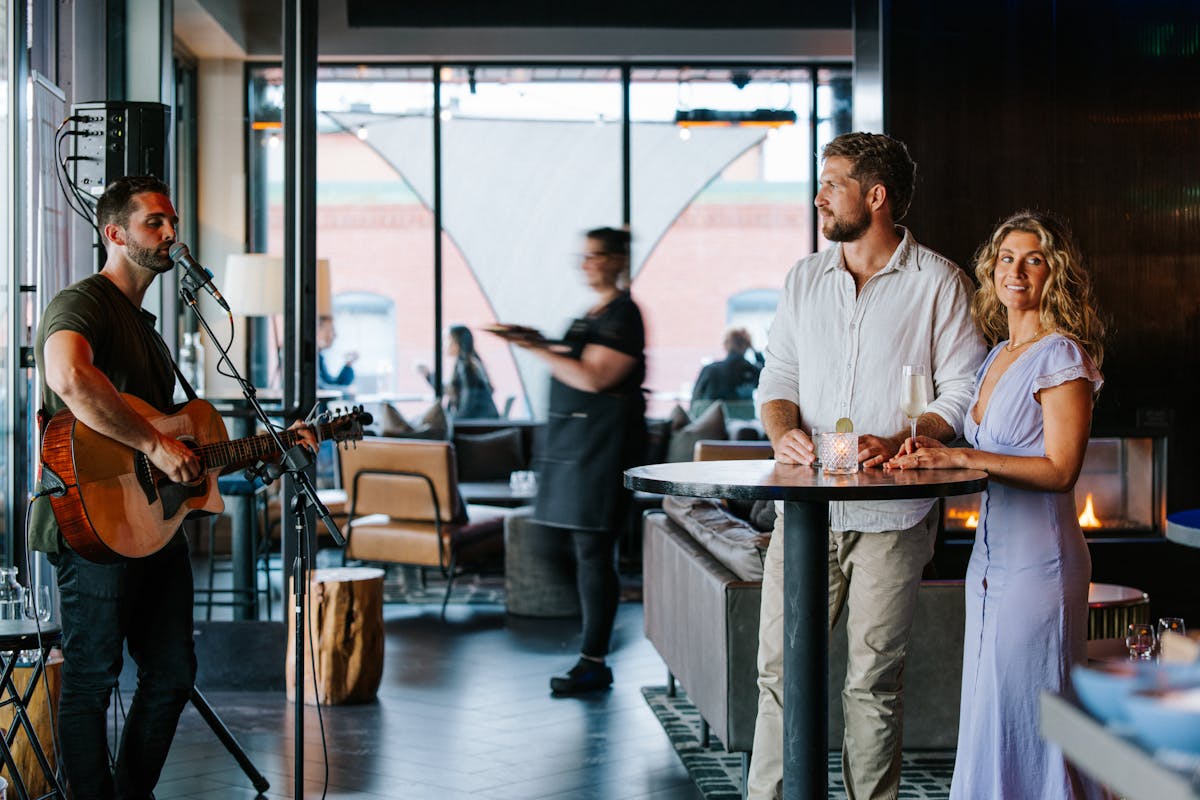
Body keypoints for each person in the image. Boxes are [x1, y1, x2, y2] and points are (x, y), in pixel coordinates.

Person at [32, 176, 315, 800]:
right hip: (95, 527)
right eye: (154, 223)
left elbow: (188, 455)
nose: (169, 234)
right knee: (91, 677)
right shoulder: (84, 302)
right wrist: (156, 445)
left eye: (172, 221)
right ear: (115, 234)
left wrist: (279, 441)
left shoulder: (150, 328)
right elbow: (70, 377)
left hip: (153, 528)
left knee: (172, 672)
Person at [749, 132, 985, 800]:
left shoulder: (939, 282)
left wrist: (914, 432)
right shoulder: (803, 279)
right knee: (779, 674)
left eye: (832, 182)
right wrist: (784, 430)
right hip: (804, 513)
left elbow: (963, 389)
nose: (819, 196)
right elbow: (778, 378)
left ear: (874, 196)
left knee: (872, 684)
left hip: (895, 513)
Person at [886, 210, 1104, 799]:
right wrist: (940, 449)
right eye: (1007, 258)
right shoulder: (997, 354)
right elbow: (989, 449)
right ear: (992, 269)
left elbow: (1060, 470)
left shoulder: (1062, 357)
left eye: (1033, 259)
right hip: (988, 568)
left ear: (1052, 273)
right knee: (993, 715)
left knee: (1037, 715)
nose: (1017, 270)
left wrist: (964, 461)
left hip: (1041, 569)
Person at [516, 227, 646, 696]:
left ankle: (594, 659)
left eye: (594, 256)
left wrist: (536, 348)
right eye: (583, 255)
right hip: (573, 447)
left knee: (592, 553)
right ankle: (596, 645)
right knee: (555, 545)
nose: (585, 263)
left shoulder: (624, 315)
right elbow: (575, 358)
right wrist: (541, 341)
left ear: (616, 260)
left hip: (602, 450)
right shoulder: (594, 313)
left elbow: (593, 376)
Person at [690, 326, 764, 417]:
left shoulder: (710, 369)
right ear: (747, 345)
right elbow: (769, 378)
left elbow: (695, 398)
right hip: (744, 425)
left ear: (726, 345)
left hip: (714, 425)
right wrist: (755, 351)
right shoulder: (753, 371)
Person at [317, 314, 357, 391]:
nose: (335, 335)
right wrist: (346, 390)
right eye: (331, 330)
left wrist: (348, 364)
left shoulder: (318, 357)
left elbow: (333, 383)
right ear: (318, 331)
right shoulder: (309, 359)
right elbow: (320, 389)